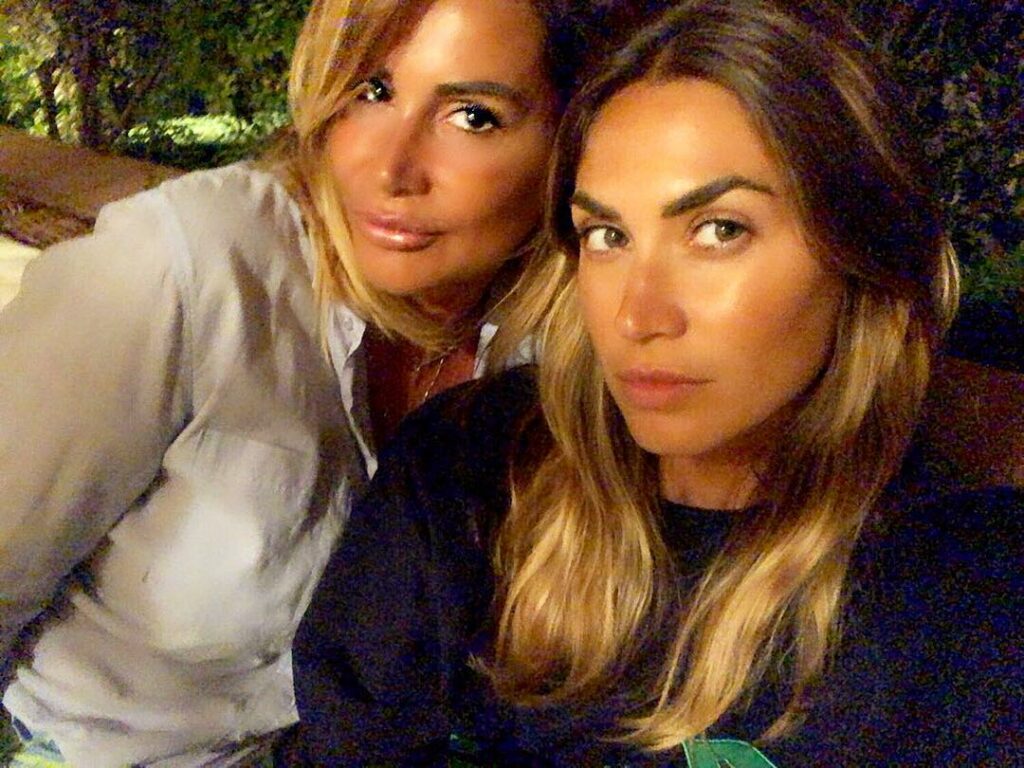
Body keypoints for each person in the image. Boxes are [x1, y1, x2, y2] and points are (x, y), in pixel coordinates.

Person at [290, 0, 1023, 764]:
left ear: (863, 252)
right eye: (608, 236)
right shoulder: (462, 479)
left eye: (719, 231)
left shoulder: (974, 599)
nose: (638, 316)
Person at [0, 0, 631, 764]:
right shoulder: (182, 273)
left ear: (573, 139)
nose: (390, 169)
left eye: (472, 116)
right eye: (371, 90)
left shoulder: (579, 339)